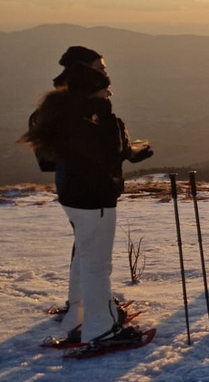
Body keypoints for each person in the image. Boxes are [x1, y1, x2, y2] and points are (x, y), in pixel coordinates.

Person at [21, 62, 153, 347]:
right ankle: (102, 330)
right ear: (92, 92)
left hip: (75, 198)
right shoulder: (83, 122)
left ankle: (80, 320)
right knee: (97, 266)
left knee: (87, 260)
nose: (109, 96)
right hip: (94, 200)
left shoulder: (64, 117)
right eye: (105, 90)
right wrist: (107, 120)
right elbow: (106, 155)